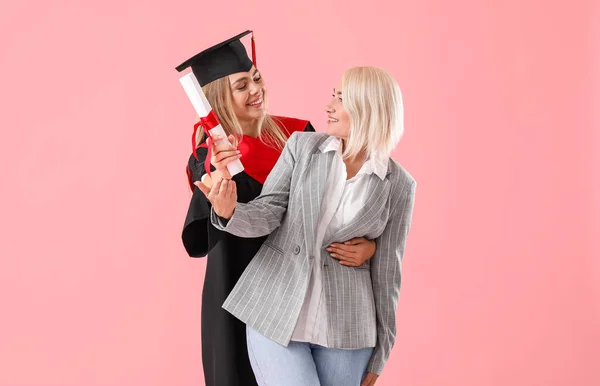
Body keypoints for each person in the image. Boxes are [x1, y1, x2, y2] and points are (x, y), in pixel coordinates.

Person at [176, 32, 378, 386]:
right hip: (234, 290)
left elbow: (343, 203)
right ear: (219, 99)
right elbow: (203, 235)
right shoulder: (206, 158)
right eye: (241, 85)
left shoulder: (300, 135)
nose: (256, 89)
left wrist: (371, 246)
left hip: (302, 289)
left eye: (256, 77)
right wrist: (220, 181)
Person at [197, 66, 417, 386]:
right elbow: (269, 211)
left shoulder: (399, 184)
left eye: (340, 99)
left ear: (368, 107)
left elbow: (388, 273)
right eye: (333, 95)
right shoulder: (302, 147)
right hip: (274, 311)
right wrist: (230, 212)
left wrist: (382, 351)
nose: (329, 106)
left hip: (348, 330)